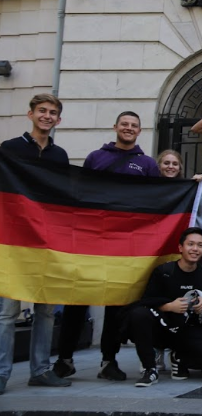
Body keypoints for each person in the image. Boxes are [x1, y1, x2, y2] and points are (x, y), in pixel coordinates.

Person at [54, 111, 159, 383]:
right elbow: (80, 193)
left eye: (134, 125)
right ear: (115, 127)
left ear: (140, 131)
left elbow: (157, 199)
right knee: (77, 299)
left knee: (116, 305)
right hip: (92, 240)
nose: (128, 128)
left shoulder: (147, 164)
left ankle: (108, 361)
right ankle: (64, 360)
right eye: (124, 124)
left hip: (125, 245)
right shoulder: (95, 158)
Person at [0, 94, 72, 394]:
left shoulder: (60, 156)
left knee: (45, 310)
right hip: (14, 242)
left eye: (52, 112)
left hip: (47, 242)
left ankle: (40, 371)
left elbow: (65, 196)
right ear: (30, 114)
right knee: (7, 312)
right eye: (42, 111)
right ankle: (1, 374)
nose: (47, 116)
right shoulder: (9, 149)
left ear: (58, 120)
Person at [121, 227, 202, 387]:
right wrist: (169, 306)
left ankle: (180, 357)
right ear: (180, 247)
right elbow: (145, 302)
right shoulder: (164, 271)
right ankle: (150, 369)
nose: (195, 249)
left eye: (200, 245)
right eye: (190, 244)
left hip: (187, 330)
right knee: (139, 315)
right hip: (162, 328)